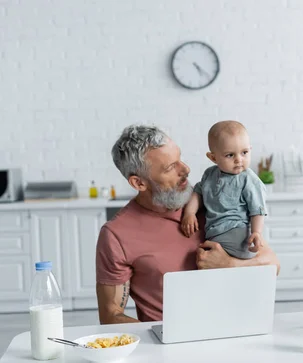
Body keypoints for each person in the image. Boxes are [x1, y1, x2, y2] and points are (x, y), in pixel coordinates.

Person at [96, 124, 279, 324]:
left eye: (179, 159)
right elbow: (110, 316)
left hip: (234, 329)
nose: (186, 169)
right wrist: (162, 336)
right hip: (170, 348)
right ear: (139, 183)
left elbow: (273, 264)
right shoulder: (117, 235)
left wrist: (230, 264)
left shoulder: (213, 201)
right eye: (169, 167)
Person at [181, 121, 266, 259]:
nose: (239, 159)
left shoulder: (249, 179)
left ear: (250, 149)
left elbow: (258, 209)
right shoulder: (209, 174)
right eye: (230, 155)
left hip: (238, 232)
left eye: (244, 152)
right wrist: (189, 213)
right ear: (213, 157)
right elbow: (198, 193)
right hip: (214, 233)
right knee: (205, 261)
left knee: (210, 259)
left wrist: (257, 232)